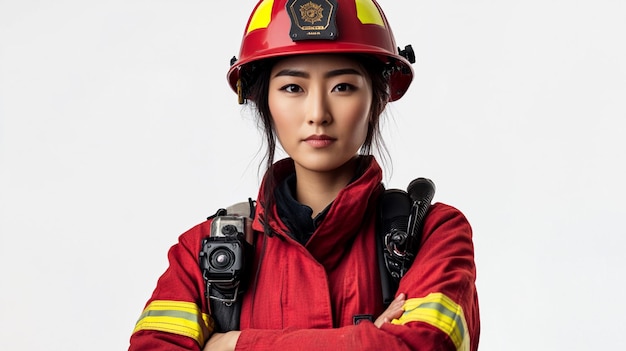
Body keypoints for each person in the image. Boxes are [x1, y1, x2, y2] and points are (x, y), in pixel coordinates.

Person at [129, 0, 480, 350]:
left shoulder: (433, 234)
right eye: (293, 88)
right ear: (262, 100)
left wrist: (233, 345)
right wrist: (368, 339)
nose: (317, 113)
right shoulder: (200, 253)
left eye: (342, 86)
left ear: (378, 98)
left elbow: (425, 345)